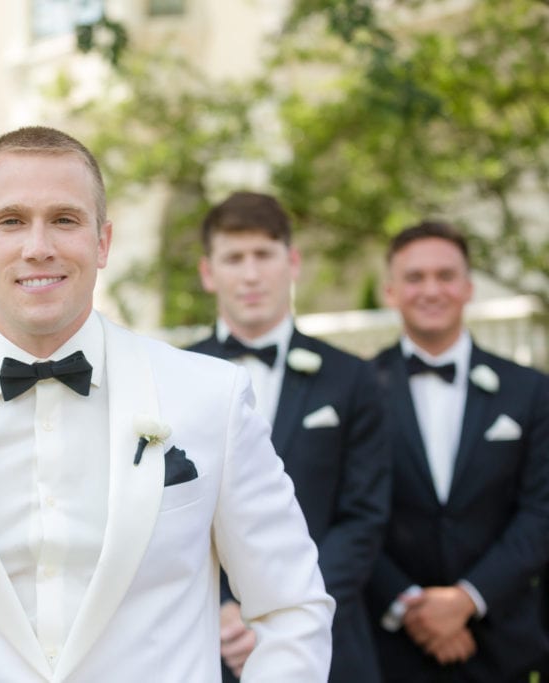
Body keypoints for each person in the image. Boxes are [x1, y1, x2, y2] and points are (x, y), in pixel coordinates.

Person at [0, 126, 334, 682]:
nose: (38, 247)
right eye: (10, 221)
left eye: (64, 219)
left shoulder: (211, 398)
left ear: (102, 242)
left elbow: (292, 607)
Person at [187, 191, 390, 682]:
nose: (251, 274)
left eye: (264, 255)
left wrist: (282, 615)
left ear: (292, 262)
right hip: (201, 645)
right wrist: (224, 613)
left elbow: (363, 518)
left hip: (330, 644)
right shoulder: (174, 375)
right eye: (234, 258)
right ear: (208, 272)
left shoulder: (354, 380)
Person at [369, 221, 549, 681]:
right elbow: (349, 510)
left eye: (445, 276)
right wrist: (412, 607)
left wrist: (467, 599)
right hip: (386, 645)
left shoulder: (529, 392)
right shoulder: (359, 390)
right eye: (414, 277)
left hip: (502, 645)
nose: (431, 290)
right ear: (390, 291)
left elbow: (540, 512)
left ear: (468, 287)